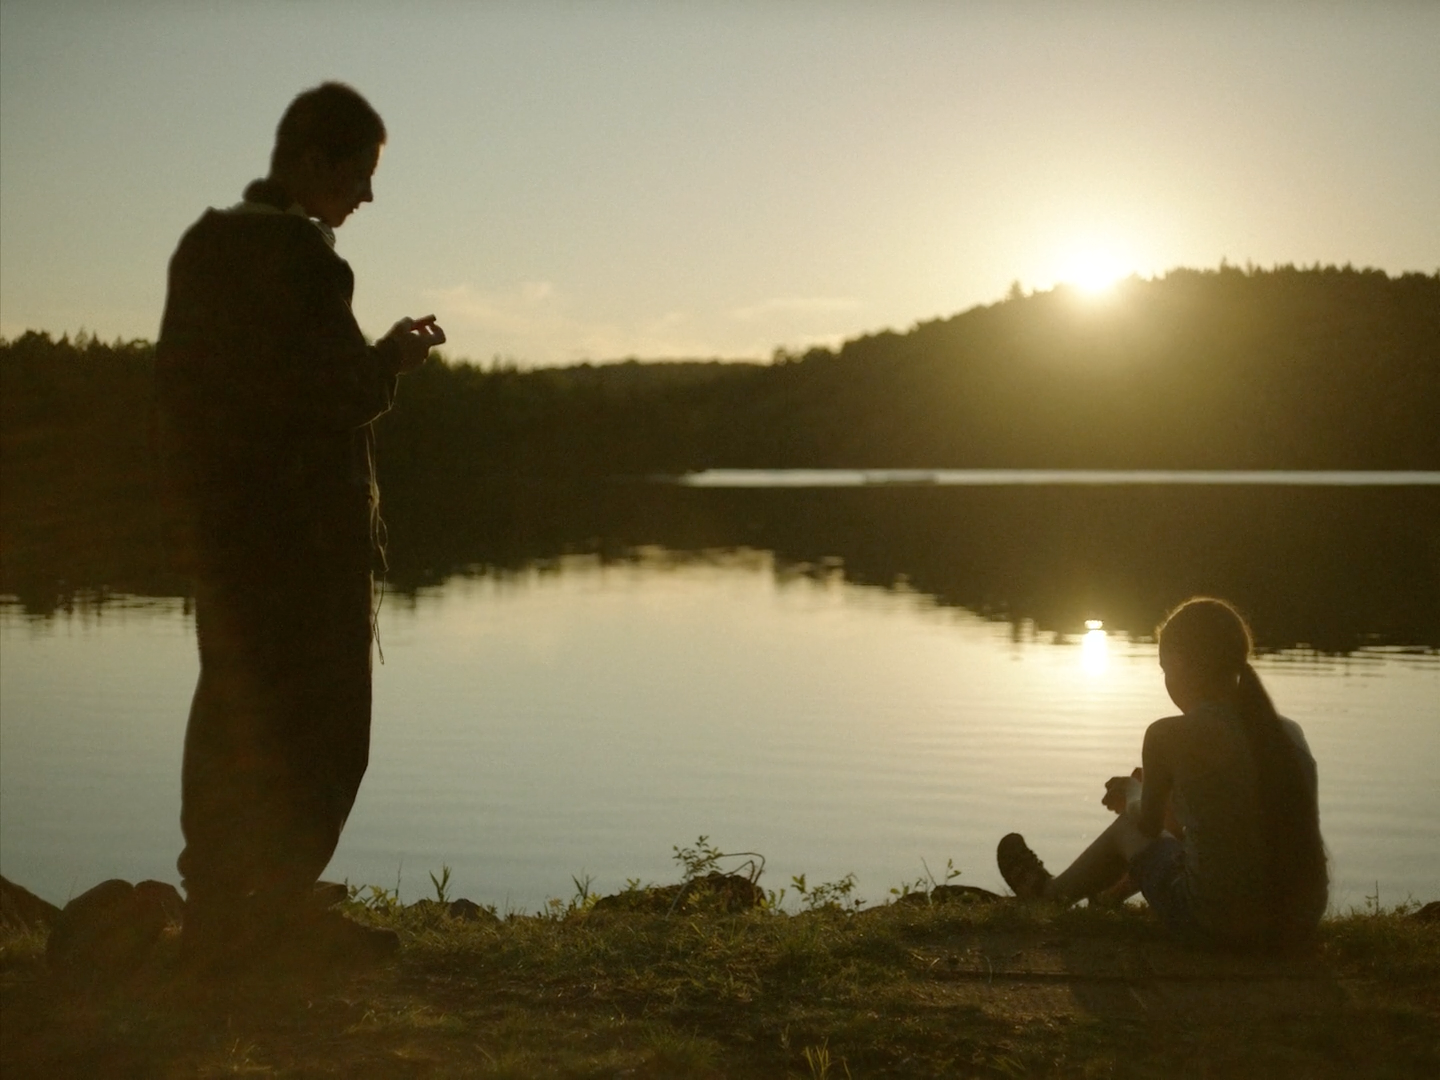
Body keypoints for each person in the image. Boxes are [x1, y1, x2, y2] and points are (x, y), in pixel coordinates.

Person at [156, 82, 444, 970]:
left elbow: (182, 392)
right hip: (311, 549)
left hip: (229, 538)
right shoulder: (308, 262)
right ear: (314, 161)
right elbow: (333, 397)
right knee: (327, 738)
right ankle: (276, 917)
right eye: (359, 174)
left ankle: (217, 915)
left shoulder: (204, 247)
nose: (366, 196)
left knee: (232, 722)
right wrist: (393, 356)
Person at [995, 597, 1328, 950]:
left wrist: (1136, 792)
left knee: (1130, 827)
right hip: (1297, 926)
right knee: (1185, 821)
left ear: (1177, 663)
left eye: (1163, 669)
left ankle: (1048, 895)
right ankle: (1108, 896)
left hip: (1216, 927)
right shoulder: (1288, 734)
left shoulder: (1167, 734)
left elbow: (1145, 827)